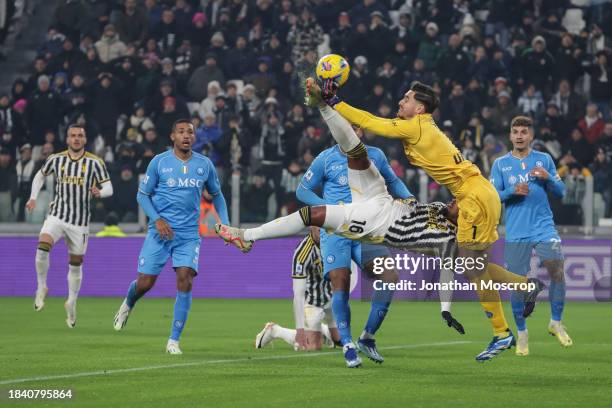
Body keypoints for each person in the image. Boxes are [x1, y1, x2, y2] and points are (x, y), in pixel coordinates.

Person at [217, 79, 545, 362]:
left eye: (407, 98)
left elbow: (372, 122)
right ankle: (521, 293)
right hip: (460, 197)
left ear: (420, 108)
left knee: (473, 266)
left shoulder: (415, 125)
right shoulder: (418, 128)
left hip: (471, 197)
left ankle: (502, 329)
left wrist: (334, 101)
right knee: (474, 265)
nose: (401, 102)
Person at [113, 119, 229, 355]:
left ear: (194, 138)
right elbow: (142, 196)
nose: (186, 135)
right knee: (145, 283)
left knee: (185, 278)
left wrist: (225, 225)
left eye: (190, 132)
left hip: (188, 236)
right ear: (172, 136)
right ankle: (129, 302)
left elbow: (217, 195)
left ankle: (173, 341)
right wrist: (157, 219)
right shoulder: (159, 162)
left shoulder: (204, 165)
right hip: (159, 233)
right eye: (181, 131)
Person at [294, 137, 412, 367]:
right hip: (336, 228)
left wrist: (410, 199)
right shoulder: (325, 159)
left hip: (366, 227)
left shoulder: (375, 155)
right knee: (341, 281)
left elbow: (393, 181)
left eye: (356, 127)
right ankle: (347, 345)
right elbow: (303, 190)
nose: (353, 132)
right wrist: (326, 210)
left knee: (389, 277)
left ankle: (367, 337)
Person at [490, 116, 571, 356]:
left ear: (531, 136)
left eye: (524, 132)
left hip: (544, 227)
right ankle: (522, 333)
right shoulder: (500, 164)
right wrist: (512, 191)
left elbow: (562, 191)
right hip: (516, 230)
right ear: (510, 135)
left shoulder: (544, 159)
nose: (519, 135)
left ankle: (555, 322)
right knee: (517, 283)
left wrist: (547, 177)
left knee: (557, 269)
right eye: (515, 131)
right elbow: (493, 198)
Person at [26, 124, 113, 327]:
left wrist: (101, 192)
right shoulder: (56, 159)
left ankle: (71, 303)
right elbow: (40, 175)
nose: (76, 139)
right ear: (67, 139)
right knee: (42, 246)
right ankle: (41, 287)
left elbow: (109, 186)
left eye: (79, 136)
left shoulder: (95, 162)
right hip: (57, 215)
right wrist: (33, 198)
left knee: (76, 264)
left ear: (85, 139)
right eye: (72, 136)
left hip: (80, 223)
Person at [255, 228, 341, 351]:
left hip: (329, 296)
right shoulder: (303, 253)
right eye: (319, 229)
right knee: (314, 347)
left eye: (324, 228)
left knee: (340, 340)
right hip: (311, 301)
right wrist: (300, 329)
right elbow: (298, 294)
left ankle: (321, 332)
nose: (322, 232)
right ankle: (275, 331)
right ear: (312, 227)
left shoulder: (331, 241)